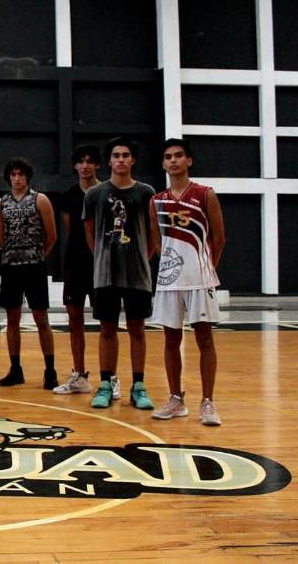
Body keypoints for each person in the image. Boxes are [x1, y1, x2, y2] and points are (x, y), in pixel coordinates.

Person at [150, 138, 226, 426]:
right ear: (163, 163)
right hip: (169, 281)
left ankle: (208, 402)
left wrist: (206, 268)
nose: (173, 160)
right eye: (168, 156)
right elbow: (157, 241)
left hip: (199, 279)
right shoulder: (156, 200)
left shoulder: (205, 194)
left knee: (204, 338)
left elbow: (219, 238)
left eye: (179, 155)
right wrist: (171, 265)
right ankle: (175, 399)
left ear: (189, 160)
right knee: (171, 340)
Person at [83, 137, 157, 409]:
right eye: (116, 155)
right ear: (109, 161)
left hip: (137, 273)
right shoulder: (94, 194)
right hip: (106, 273)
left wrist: (141, 259)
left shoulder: (147, 192)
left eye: (126, 155)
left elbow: (153, 234)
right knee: (107, 329)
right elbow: (90, 233)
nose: (121, 159)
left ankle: (138, 386)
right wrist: (103, 256)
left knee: (137, 329)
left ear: (133, 160)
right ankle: (105, 384)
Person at [0, 158, 59, 389]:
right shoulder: (0, 203)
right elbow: (0, 238)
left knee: (41, 318)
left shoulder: (40, 199)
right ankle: (15, 369)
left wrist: (38, 254)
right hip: (11, 266)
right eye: (13, 174)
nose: (17, 178)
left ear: (27, 177)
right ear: (8, 177)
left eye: (21, 174)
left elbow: (52, 236)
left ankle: (50, 370)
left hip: (34, 266)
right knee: (12, 319)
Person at [53, 145, 101, 395]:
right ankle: (79, 375)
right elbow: (70, 231)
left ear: (97, 165)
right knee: (75, 321)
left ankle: (109, 379)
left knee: (107, 322)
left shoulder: (105, 193)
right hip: (75, 265)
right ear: (75, 166)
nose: (85, 166)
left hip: (100, 265)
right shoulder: (68, 196)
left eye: (90, 161)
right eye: (81, 161)